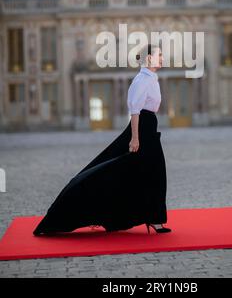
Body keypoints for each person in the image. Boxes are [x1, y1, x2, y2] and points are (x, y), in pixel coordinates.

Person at [33, 43, 171, 236]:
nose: (163, 58)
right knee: (128, 171)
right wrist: (135, 138)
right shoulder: (141, 80)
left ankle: (154, 219)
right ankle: (65, 213)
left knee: (151, 174)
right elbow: (135, 111)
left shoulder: (152, 79)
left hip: (150, 128)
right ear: (149, 58)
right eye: (160, 55)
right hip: (142, 130)